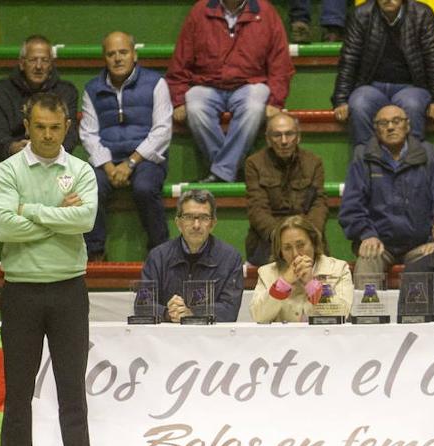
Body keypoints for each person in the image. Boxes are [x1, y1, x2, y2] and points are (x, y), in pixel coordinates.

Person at [0, 92, 97, 446]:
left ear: (67, 127)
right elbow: (3, 228)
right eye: (40, 127)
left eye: (55, 127)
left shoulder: (82, 171)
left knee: (72, 387)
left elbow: (84, 219)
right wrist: (57, 216)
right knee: (18, 389)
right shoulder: (8, 170)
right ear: (27, 126)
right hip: (21, 290)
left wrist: (29, 211)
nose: (48, 135)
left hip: (70, 288)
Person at [166, 0, 295, 183]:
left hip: (251, 83)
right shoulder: (200, 11)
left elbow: (280, 64)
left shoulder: (265, 11)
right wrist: (178, 99)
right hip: (207, 83)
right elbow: (181, 60)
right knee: (194, 105)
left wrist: (275, 101)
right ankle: (233, 169)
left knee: (254, 107)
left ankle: (220, 173)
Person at [79, 31, 172, 262]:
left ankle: (160, 251)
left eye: (123, 52)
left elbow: (162, 131)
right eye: (111, 54)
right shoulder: (92, 89)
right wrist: (110, 167)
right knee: (90, 186)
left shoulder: (156, 83)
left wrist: (130, 163)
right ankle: (95, 252)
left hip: (146, 158)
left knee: (144, 188)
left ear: (134, 55)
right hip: (107, 159)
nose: (118, 58)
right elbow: (88, 134)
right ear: (104, 58)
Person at [0, 36, 79, 237]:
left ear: (51, 64)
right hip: (14, 156)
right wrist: (15, 147)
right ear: (21, 63)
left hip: (53, 154)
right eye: (33, 60)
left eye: (45, 60)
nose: (39, 66)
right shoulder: (1, 90)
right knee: (5, 158)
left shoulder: (67, 91)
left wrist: (44, 150)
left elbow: (71, 135)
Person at [339, 104, 434, 277]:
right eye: (383, 123)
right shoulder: (362, 156)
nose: (391, 127)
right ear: (376, 129)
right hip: (378, 244)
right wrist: (367, 234)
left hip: (421, 245)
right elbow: (351, 207)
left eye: (396, 121)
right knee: (366, 264)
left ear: (407, 125)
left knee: (433, 263)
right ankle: (367, 306)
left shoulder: (428, 155)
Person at [330, 0, 434, 147]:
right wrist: (341, 99)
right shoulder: (360, 15)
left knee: (412, 104)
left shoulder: (422, 14)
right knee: (359, 103)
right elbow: (349, 58)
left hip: (412, 87)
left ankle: (411, 165)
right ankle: (368, 165)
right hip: (371, 87)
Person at [140, 189, 244, 323]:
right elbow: (142, 305)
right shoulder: (157, 257)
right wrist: (167, 313)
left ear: (212, 224)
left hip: (211, 340)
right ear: (178, 223)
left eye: (204, 218)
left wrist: (191, 312)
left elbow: (229, 310)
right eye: (189, 217)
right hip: (166, 339)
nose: (196, 225)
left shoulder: (230, 259)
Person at [243, 112, 328, 266]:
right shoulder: (254, 164)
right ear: (268, 139)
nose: (284, 141)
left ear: (298, 136)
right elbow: (257, 210)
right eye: (277, 135)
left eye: (289, 134)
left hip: (307, 236)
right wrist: (284, 239)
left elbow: (319, 204)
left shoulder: (314, 162)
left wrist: (305, 236)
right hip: (268, 240)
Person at [250, 215, 353, 323]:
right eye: (287, 248)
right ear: (280, 251)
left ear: (313, 243)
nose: (295, 254)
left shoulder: (338, 269)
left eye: (301, 245)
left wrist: (311, 284)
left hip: (324, 337)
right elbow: (259, 317)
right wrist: (284, 283)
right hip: (284, 338)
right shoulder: (267, 273)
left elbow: (343, 314)